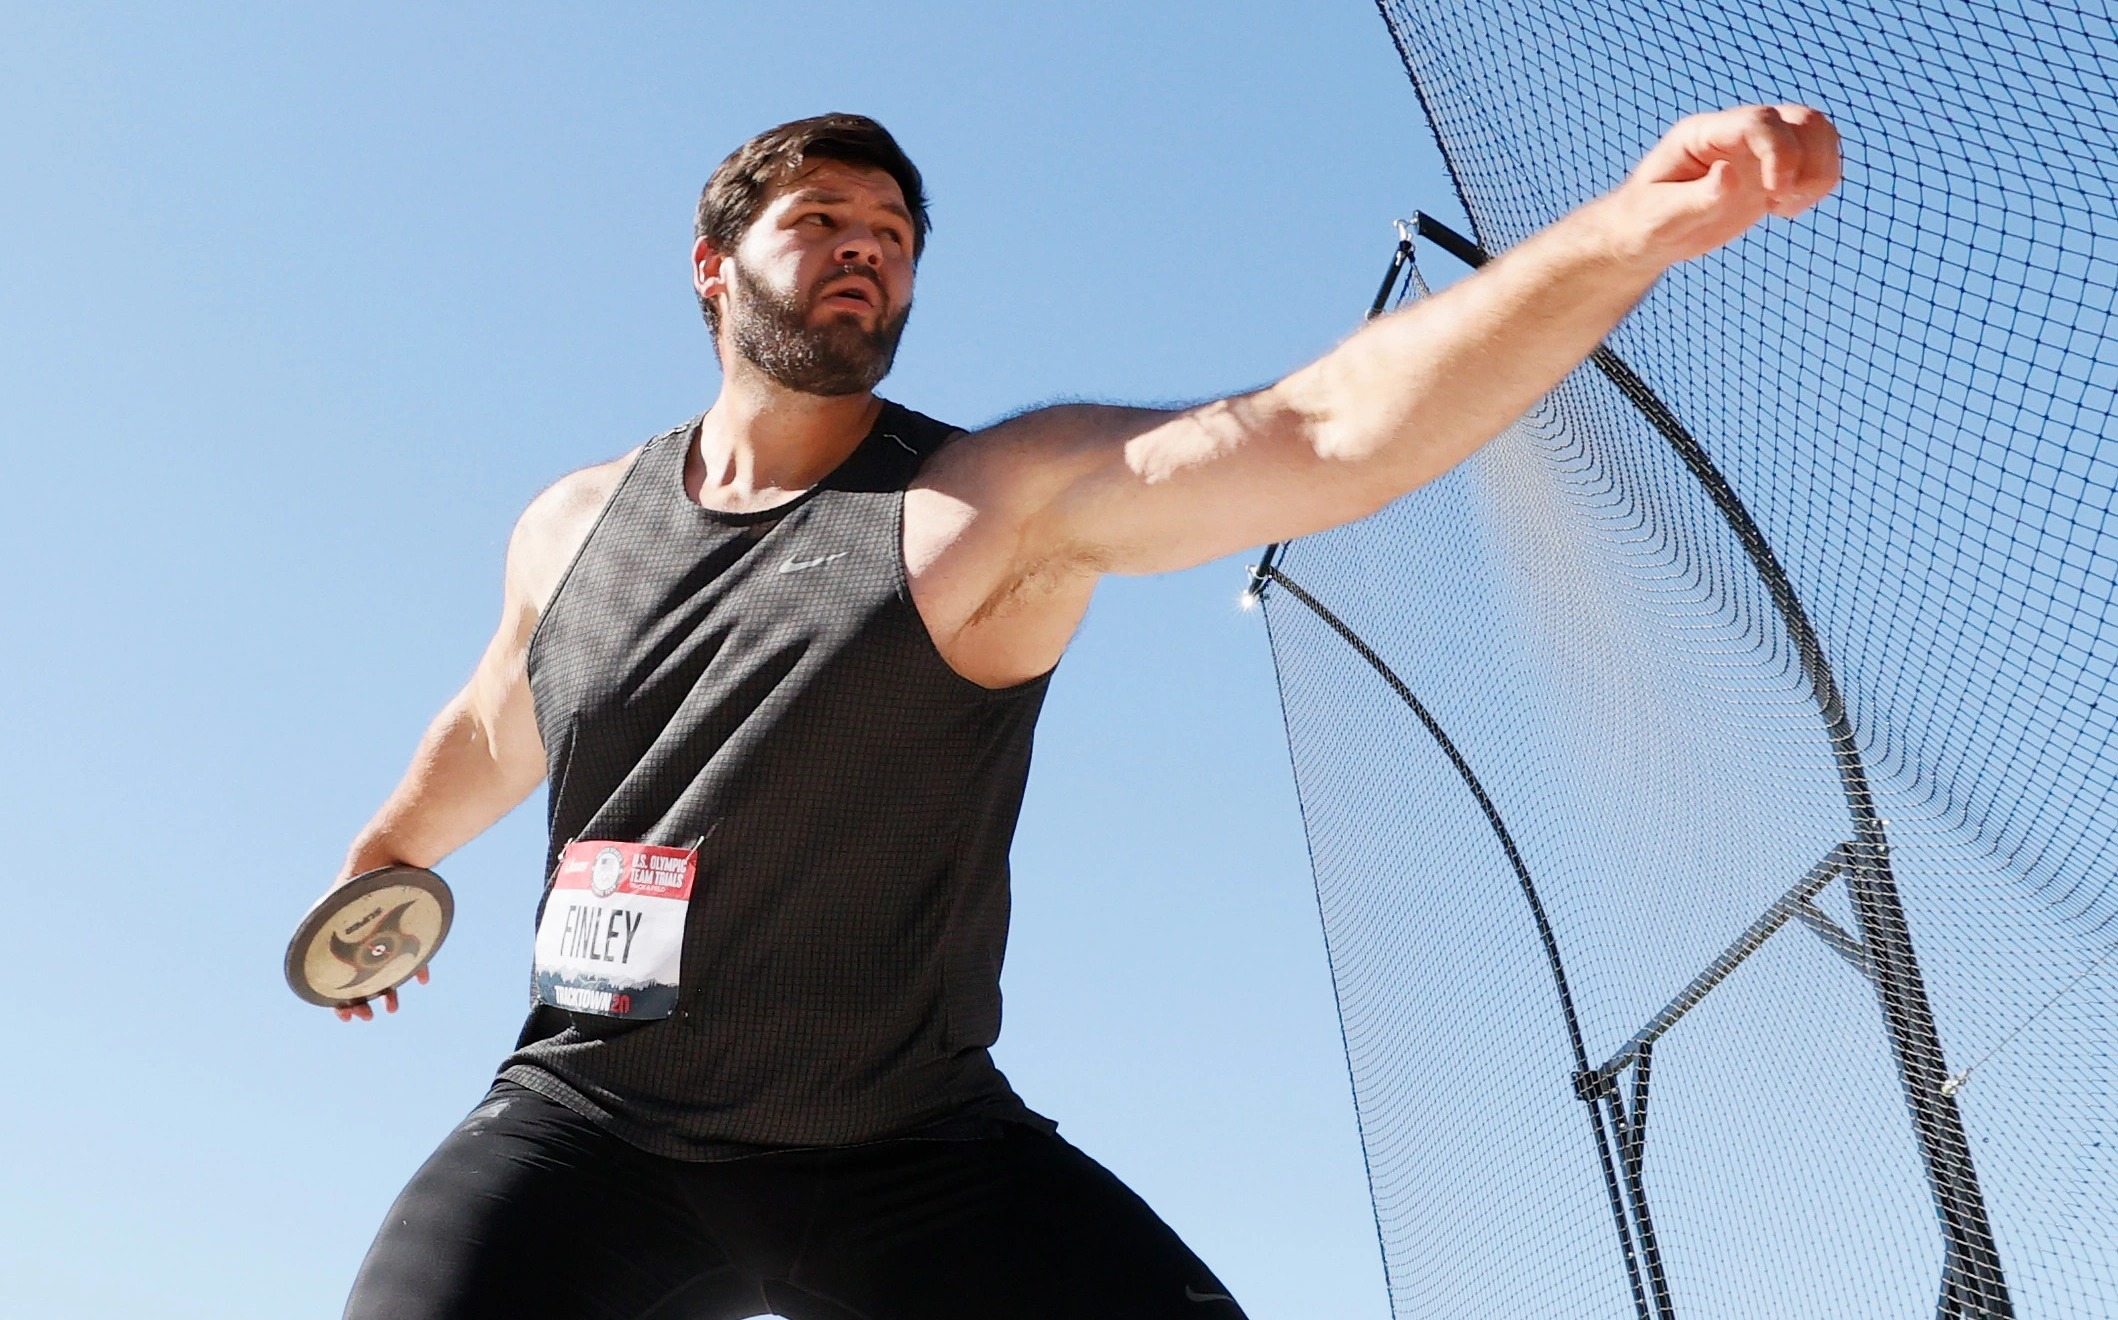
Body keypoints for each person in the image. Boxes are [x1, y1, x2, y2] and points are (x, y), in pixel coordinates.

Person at [328, 108, 1839, 1319]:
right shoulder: (572, 525)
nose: (865, 255)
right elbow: (496, 717)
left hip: (906, 1150)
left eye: (894, 239)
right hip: (590, 1128)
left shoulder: (981, 505)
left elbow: (1318, 436)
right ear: (713, 267)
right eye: (821, 226)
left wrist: (1631, 230)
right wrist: (388, 852)